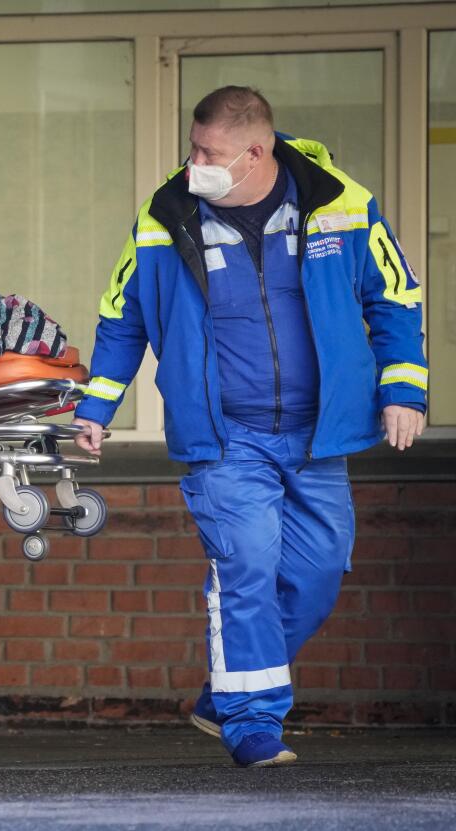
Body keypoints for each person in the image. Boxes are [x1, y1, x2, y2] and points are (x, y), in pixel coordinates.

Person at [71, 86, 427, 768]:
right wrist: (97, 405)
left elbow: (396, 295)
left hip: (319, 432)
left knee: (319, 571)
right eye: (192, 146)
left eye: (209, 152)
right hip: (224, 435)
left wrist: (403, 386)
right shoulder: (166, 214)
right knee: (248, 566)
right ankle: (251, 722)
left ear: (257, 152)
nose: (192, 161)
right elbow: (124, 315)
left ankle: (229, 686)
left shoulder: (342, 204)